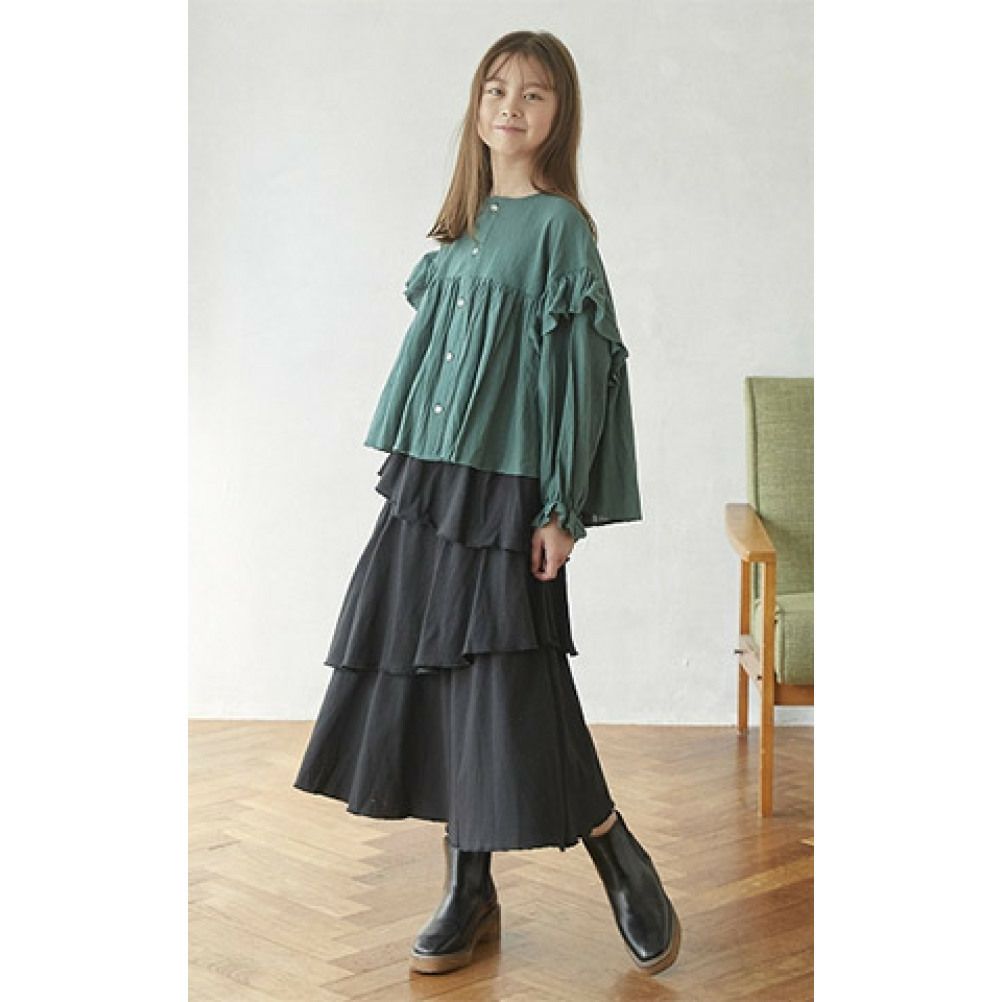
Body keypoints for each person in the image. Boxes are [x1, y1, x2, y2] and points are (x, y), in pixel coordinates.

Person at [293, 29, 682, 977]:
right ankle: (467, 887)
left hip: (507, 486)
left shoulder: (559, 229)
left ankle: (613, 846)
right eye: (497, 89)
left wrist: (561, 508)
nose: (511, 106)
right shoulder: (462, 227)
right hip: (430, 478)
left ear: (559, 116)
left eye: (534, 94)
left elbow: (581, 377)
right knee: (436, 670)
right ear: (476, 107)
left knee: (514, 675)